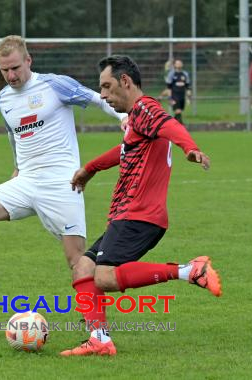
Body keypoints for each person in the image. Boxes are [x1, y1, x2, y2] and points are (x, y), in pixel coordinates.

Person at [0, 35, 127, 315]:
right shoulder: (3, 99)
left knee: (77, 259)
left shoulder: (55, 85)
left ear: (28, 60)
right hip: (26, 181)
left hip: (62, 183)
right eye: (4, 70)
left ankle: (94, 320)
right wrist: (17, 166)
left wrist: (123, 118)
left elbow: (98, 99)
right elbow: (14, 136)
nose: (11, 75)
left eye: (16, 67)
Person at [61, 55, 221, 357]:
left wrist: (191, 148)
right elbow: (124, 149)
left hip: (139, 214)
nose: (104, 96)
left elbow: (170, 124)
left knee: (104, 277)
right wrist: (90, 168)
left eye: (107, 87)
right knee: (84, 266)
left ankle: (189, 271)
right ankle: (99, 340)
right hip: (127, 213)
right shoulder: (136, 119)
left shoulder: (146, 108)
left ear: (125, 81)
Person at [160, 59, 191, 125]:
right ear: (175, 65)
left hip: (182, 96)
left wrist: (188, 98)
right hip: (174, 95)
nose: (179, 64)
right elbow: (169, 88)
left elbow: (188, 87)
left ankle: (171, 124)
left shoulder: (185, 74)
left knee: (179, 111)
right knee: (178, 111)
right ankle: (181, 126)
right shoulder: (172, 74)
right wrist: (170, 98)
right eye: (177, 63)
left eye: (180, 62)